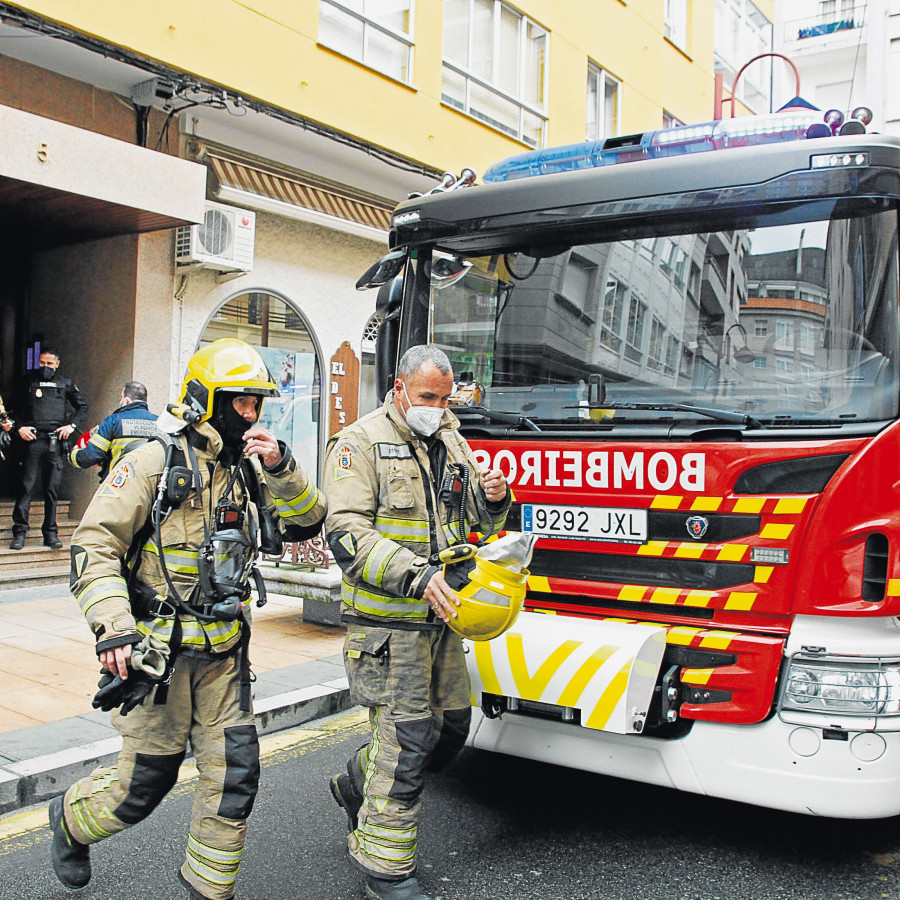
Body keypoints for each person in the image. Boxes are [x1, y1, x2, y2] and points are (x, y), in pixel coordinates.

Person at [47, 338, 326, 900]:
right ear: (205, 399)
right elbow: (94, 544)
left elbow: (308, 521)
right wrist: (112, 627)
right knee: (142, 786)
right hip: (160, 658)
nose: (251, 414)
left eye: (256, 404)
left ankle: (207, 891)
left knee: (234, 776)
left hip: (225, 656)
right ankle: (70, 821)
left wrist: (282, 465)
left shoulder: (252, 471)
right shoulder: (153, 461)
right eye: (241, 402)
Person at [323, 344, 510, 900]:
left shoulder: (451, 437)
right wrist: (415, 574)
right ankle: (385, 869)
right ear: (400, 387)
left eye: (445, 398)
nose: (438, 407)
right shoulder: (358, 444)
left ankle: (359, 780)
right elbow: (346, 533)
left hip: (441, 620)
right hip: (389, 626)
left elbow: (474, 514)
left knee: (449, 730)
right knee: (406, 744)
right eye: (428, 397)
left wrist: (494, 497)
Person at [10, 347, 88, 550]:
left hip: (55, 440)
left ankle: (51, 534)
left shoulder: (65, 383)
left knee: (51, 490)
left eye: (50, 364)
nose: (46, 367)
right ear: (38, 362)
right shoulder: (27, 381)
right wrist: (20, 428)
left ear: (57, 364)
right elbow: (13, 408)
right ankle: (19, 533)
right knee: (26, 487)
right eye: (42, 363)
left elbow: (83, 406)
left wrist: (71, 427)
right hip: (33, 439)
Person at [69, 380, 158, 480]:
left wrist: (73, 454)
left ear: (127, 400)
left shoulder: (113, 421)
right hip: (149, 486)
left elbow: (91, 456)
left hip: (118, 485)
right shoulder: (159, 423)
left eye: (121, 397)